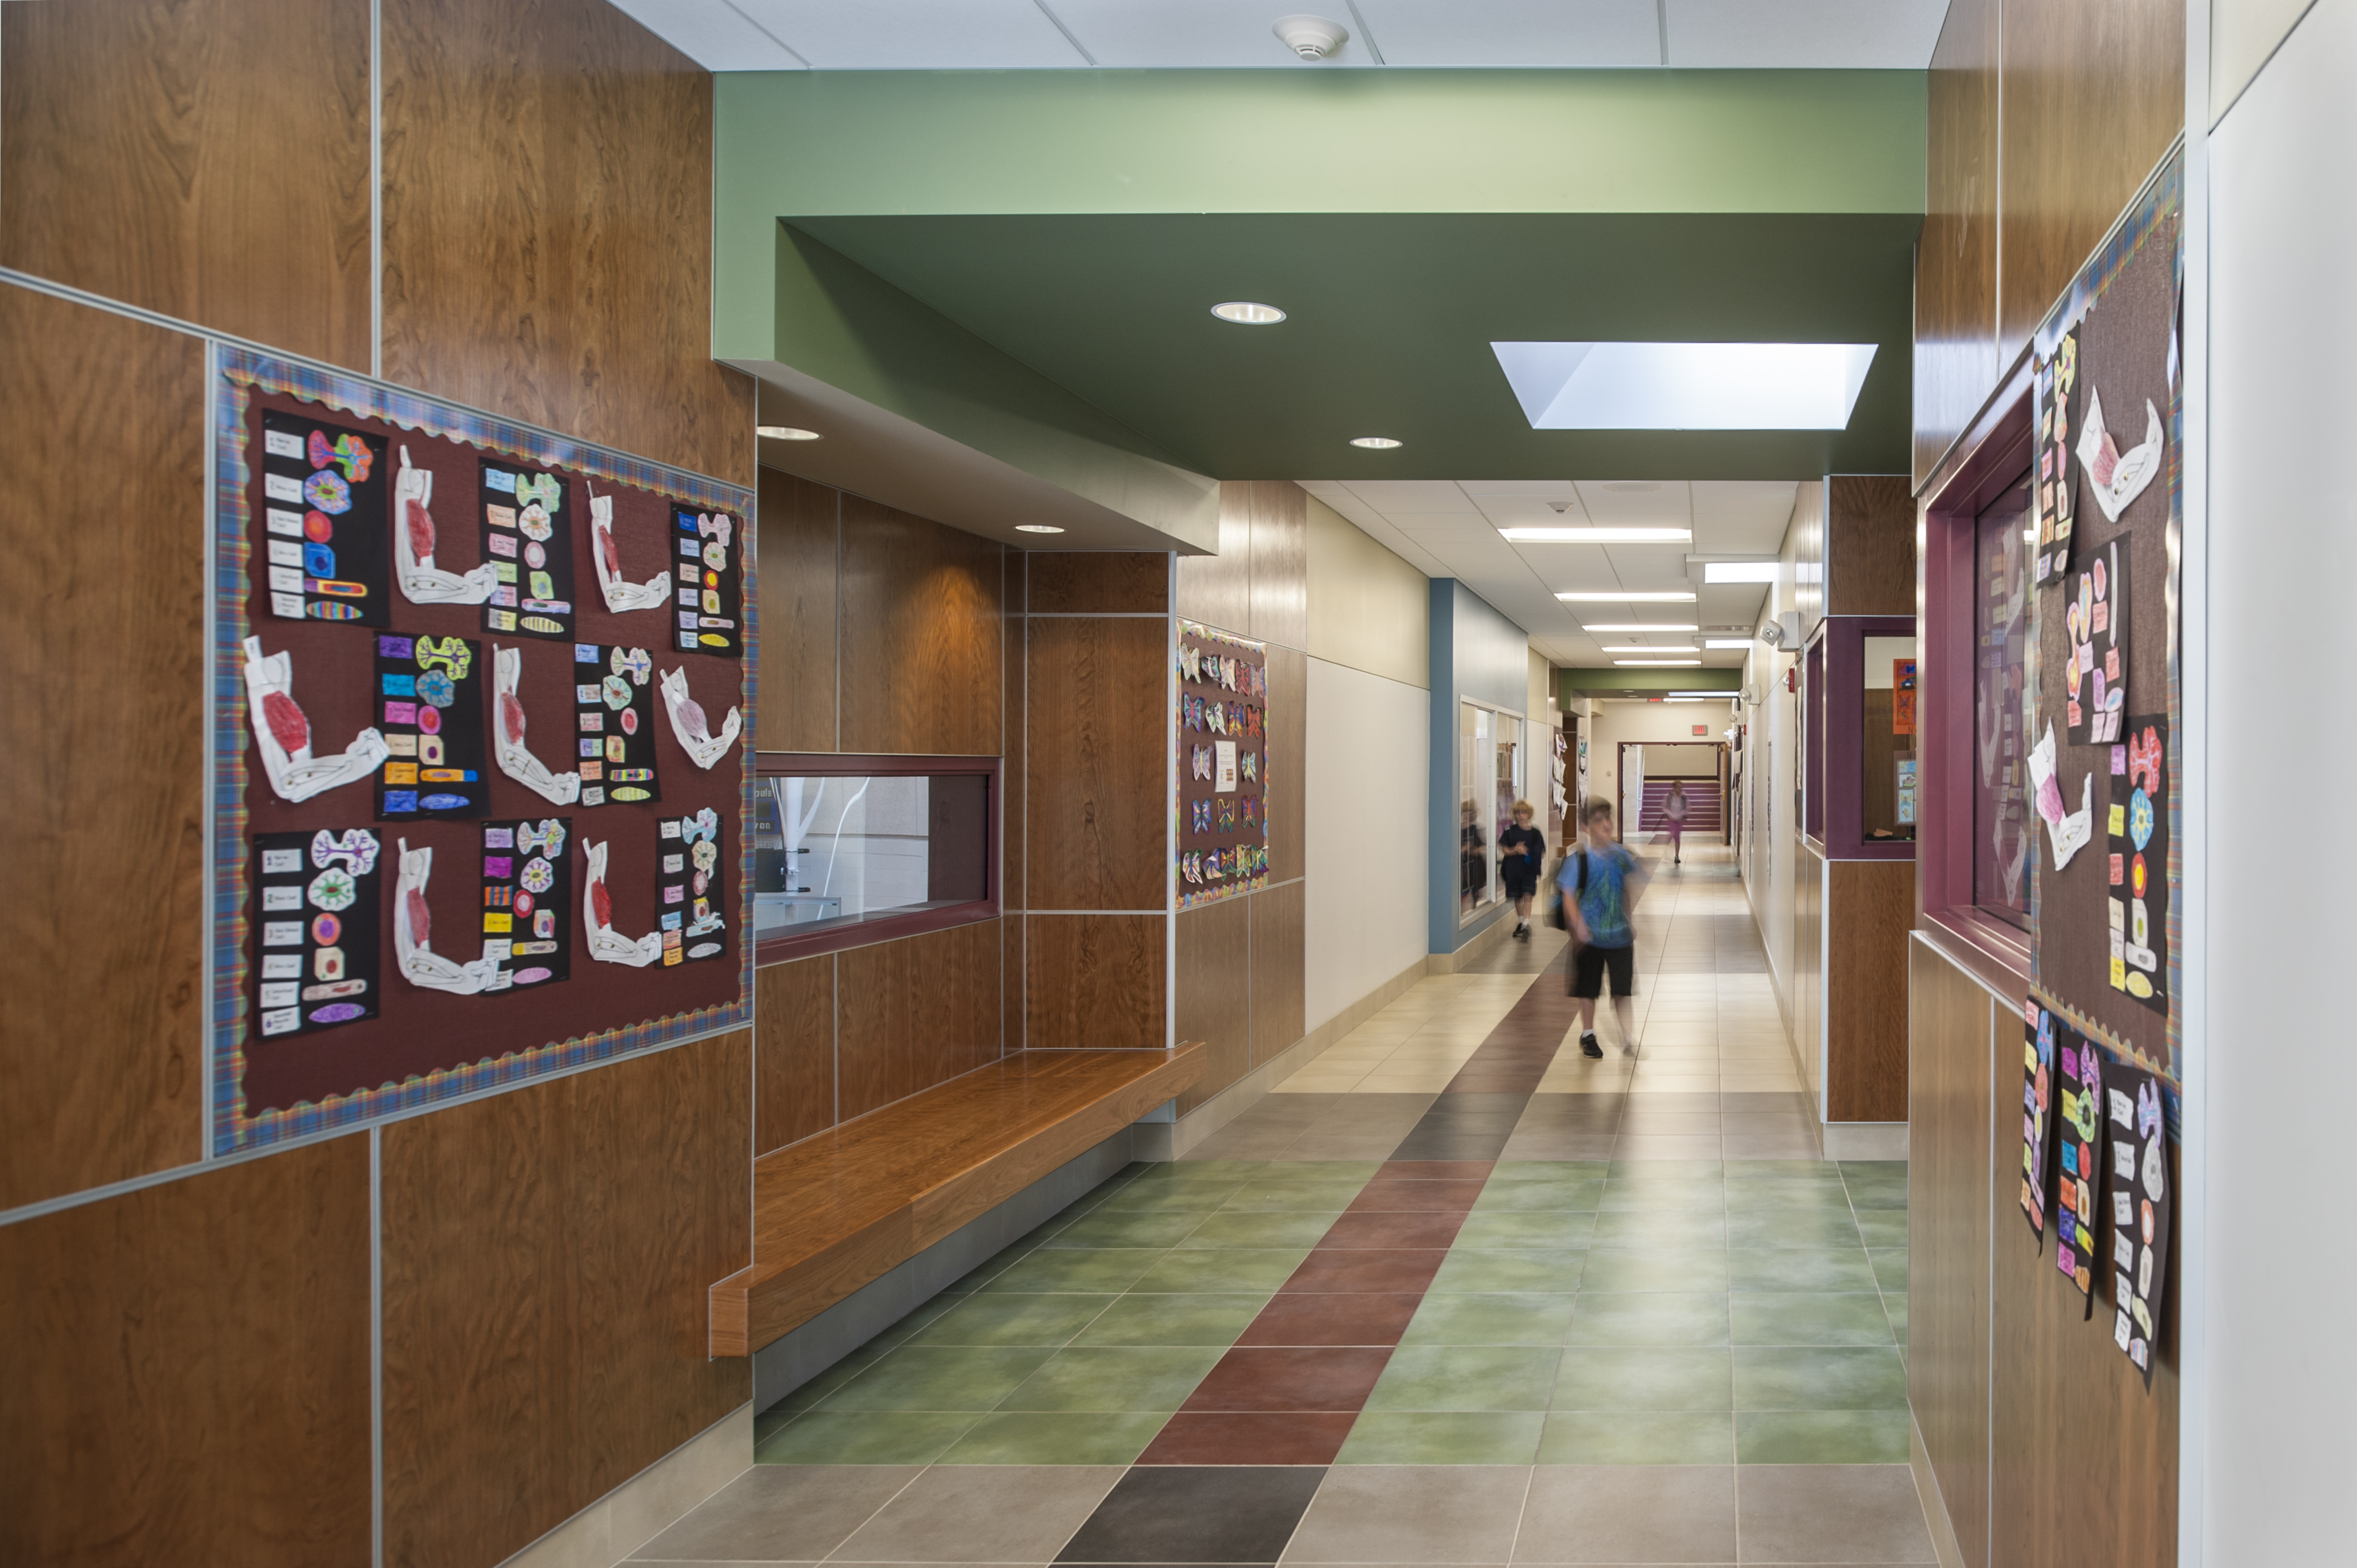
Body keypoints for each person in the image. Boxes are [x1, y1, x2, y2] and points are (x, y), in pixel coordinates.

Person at [1559, 798, 1649, 1058]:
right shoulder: (1579, 859)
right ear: (1586, 826)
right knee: (1588, 989)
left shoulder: (1621, 855)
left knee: (1622, 989)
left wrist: (1630, 920)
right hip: (1590, 939)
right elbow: (1567, 894)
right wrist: (1580, 927)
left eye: (1608, 819)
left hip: (1619, 936)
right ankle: (1588, 1034)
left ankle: (1628, 1039)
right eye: (1598, 820)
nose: (1606, 824)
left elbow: (1627, 888)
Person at [1498, 800, 1546, 940]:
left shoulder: (1535, 833)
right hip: (1513, 870)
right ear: (1515, 814)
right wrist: (1515, 850)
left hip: (1529, 869)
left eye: (1524, 812)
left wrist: (1526, 853)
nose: (1521, 815)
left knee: (1527, 894)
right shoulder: (1510, 832)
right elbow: (1505, 850)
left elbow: (1541, 852)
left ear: (1529, 814)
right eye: (1518, 812)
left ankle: (1526, 924)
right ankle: (1521, 922)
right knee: (1517, 896)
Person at [1664, 780, 1690, 866]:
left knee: (1677, 837)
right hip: (1671, 819)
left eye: (1681, 787)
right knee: (1672, 835)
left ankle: (1677, 856)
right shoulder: (1669, 796)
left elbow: (1687, 808)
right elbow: (1665, 807)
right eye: (1678, 787)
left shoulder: (1684, 797)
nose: (1680, 789)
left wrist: (1682, 815)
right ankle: (1669, 851)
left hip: (1679, 819)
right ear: (1674, 788)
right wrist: (1669, 815)